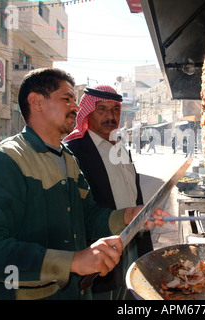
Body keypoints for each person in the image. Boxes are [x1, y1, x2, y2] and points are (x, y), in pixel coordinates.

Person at [0, 68, 168, 300]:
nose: (76, 107)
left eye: (75, 100)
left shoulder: (68, 159)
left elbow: (87, 217)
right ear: (36, 102)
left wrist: (130, 215)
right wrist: (73, 261)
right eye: (67, 99)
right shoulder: (5, 160)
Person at [64, 85, 153, 299]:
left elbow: (134, 194)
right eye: (102, 108)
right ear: (88, 112)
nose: (110, 115)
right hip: (100, 249)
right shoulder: (74, 151)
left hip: (131, 242)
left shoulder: (121, 147)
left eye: (115, 109)